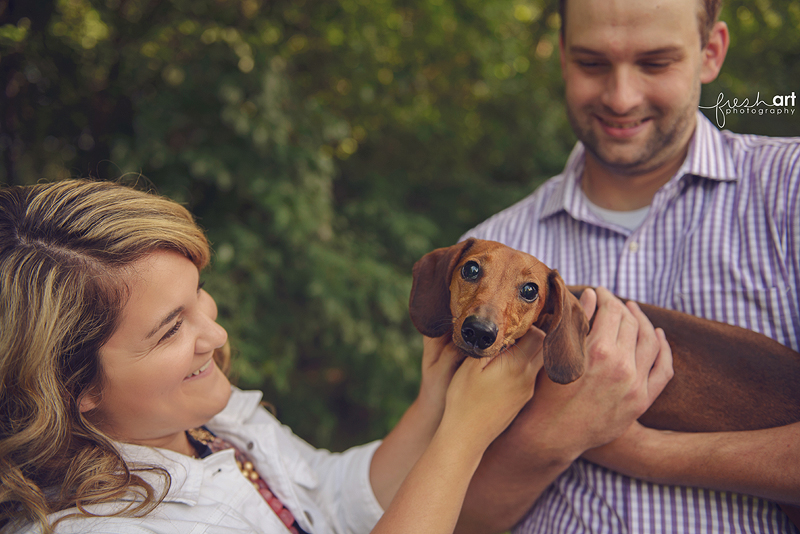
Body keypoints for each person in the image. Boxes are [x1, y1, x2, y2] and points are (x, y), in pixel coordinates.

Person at [0, 178, 546, 534]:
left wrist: (435, 402)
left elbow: (328, 498)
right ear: (72, 386)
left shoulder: (212, 420)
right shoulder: (96, 528)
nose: (214, 333)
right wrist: (464, 434)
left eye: (198, 296)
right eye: (171, 331)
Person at [456, 0, 800, 532]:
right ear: (563, 57)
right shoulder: (486, 257)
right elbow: (450, 513)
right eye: (593, 63)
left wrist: (643, 451)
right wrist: (550, 435)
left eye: (656, 63)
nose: (621, 97)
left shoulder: (791, 190)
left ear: (711, 53)